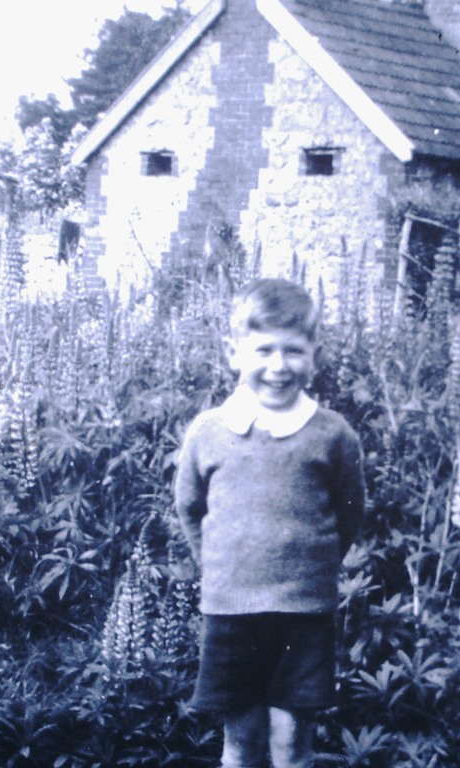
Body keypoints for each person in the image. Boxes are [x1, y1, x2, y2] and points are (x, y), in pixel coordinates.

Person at [174, 278, 366, 768]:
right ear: (233, 352)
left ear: (314, 355)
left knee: (291, 744)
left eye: (293, 351)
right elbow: (191, 508)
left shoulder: (332, 434)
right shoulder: (209, 432)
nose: (279, 366)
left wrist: (311, 568)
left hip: (302, 613)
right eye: (263, 350)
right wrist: (218, 569)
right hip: (231, 612)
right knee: (240, 742)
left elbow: (349, 512)